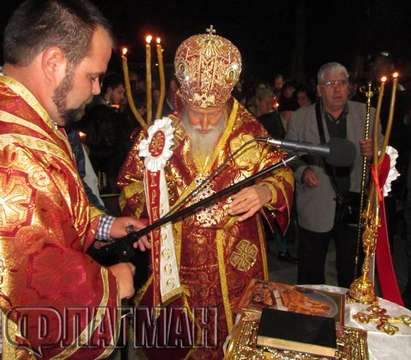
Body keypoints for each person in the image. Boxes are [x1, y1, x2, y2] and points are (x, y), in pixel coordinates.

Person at [118, 29, 294, 359]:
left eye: (210, 116)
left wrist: (265, 191)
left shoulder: (250, 132)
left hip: (235, 262)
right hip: (177, 262)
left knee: (234, 342)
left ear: (227, 102)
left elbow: (283, 173)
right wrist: (141, 219)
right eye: (194, 114)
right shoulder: (159, 133)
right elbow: (131, 183)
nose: (200, 124)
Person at [0, 1, 150, 358]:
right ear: (54, 63)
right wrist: (113, 285)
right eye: (93, 76)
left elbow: (51, 210)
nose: (98, 89)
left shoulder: (31, 121)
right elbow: (32, 275)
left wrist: (106, 225)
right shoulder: (13, 152)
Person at [286, 62, 378, 288]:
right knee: (311, 270)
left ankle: (349, 317)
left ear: (350, 87)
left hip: (353, 203)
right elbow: (288, 153)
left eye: (342, 83)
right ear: (318, 89)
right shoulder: (301, 117)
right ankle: (310, 317)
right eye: (330, 84)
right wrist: (302, 170)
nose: (337, 89)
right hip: (316, 202)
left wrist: (375, 150)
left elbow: (384, 150)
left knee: (351, 270)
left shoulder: (367, 114)